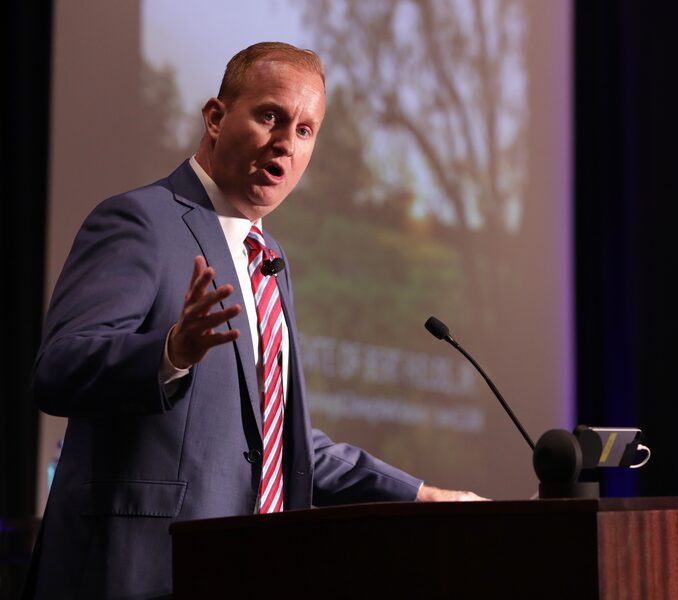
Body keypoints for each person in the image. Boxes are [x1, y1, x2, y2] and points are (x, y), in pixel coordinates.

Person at [28, 41, 483, 599]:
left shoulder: (269, 259)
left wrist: (423, 497)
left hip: (246, 569)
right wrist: (171, 351)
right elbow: (59, 368)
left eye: (305, 130)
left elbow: (278, 440)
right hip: (137, 573)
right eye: (271, 115)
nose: (286, 143)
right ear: (216, 118)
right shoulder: (141, 221)